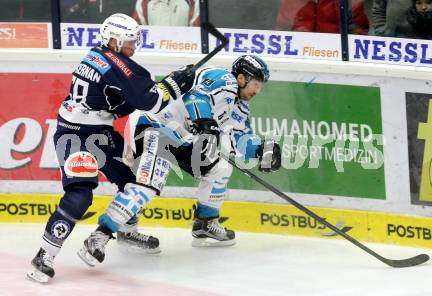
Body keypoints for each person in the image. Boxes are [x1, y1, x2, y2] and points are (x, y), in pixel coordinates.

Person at [27, 13, 195, 284]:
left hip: (97, 133)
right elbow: (150, 101)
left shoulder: (99, 55)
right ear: (114, 41)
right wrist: (174, 85)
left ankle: (127, 231)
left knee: (131, 182)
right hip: (75, 136)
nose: (133, 46)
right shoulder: (116, 63)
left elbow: (125, 97)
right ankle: (43, 256)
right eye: (129, 41)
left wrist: (167, 85)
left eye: (134, 41)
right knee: (80, 196)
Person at [77, 54, 282, 266]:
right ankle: (98, 237)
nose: (257, 91)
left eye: (261, 86)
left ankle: (205, 223)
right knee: (149, 184)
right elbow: (195, 97)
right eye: (256, 84)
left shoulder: (240, 107)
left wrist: (260, 151)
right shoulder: (223, 79)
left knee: (219, 168)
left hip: (179, 138)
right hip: (153, 125)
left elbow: (238, 138)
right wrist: (205, 122)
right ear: (241, 78)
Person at [275, 0, 369, 34]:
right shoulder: (291, 2)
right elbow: (281, 32)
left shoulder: (348, 2)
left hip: (336, 58)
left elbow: (359, 31)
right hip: (299, 58)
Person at [132, 0, 200, 26]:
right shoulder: (144, 1)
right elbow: (137, 29)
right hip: (153, 51)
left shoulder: (194, 2)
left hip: (184, 50)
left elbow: (197, 31)